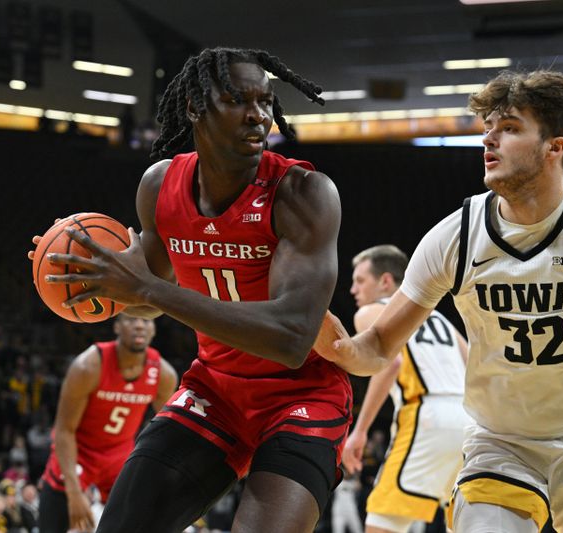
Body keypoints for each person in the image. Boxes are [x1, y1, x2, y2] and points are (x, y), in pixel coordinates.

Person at [316, 69, 563, 533]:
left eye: (509, 128)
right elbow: (376, 348)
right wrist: (333, 341)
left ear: (555, 147)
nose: (489, 139)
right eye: (488, 128)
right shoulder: (456, 234)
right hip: (500, 442)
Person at [32, 46, 351, 533]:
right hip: (215, 389)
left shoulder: (303, 193)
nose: (258, 116)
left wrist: (149, 291)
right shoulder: (160, 187)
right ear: (194, 107)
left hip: (300, 395)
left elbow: (290, 339)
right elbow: (145, 294)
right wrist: (85, 272)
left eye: (266, 102)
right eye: (238, 100)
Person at [343, 245, 472, 533]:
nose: (353, 289)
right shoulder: (438, 318)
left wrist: (360, 430)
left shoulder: (370, 312)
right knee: (463, 523)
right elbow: (473, 365)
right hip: (468, 420)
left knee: (382, 521)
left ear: (385, 281)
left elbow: (390, 364)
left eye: (360, 280)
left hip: (426, 415)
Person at [38, 314, 177, 533]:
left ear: (154, 330)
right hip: (79, 452)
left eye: (146, 321)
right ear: (117, 326)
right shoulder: (88, 366)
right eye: (131, 319)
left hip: (119, 455)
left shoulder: (164, 375)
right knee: (52, 522)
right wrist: (73, 493)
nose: (140, 324)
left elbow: (167, 434)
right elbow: (64, 430)